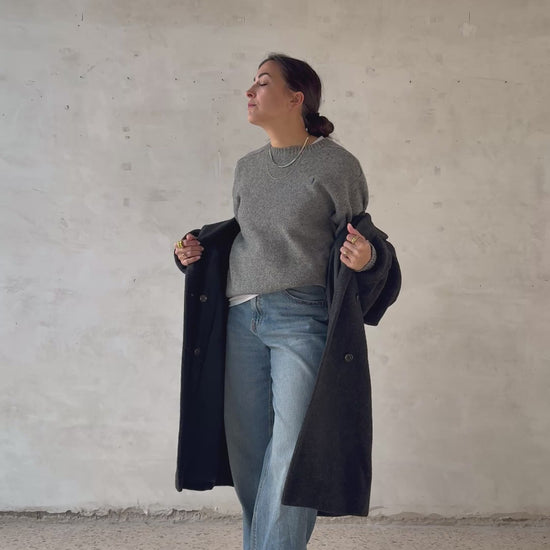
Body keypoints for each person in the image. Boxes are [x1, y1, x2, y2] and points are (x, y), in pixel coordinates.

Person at [173, 53, 400, 550]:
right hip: (239, 316)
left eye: (262, 82)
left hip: (302, 315)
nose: (249, 91)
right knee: (250, 458)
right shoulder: (247, 168)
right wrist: (192, 252)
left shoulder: (337, 164)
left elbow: (358, 237)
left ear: (296, 98)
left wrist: (366, 258)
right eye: (252, 82)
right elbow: (244, 238)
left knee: (295, 454)